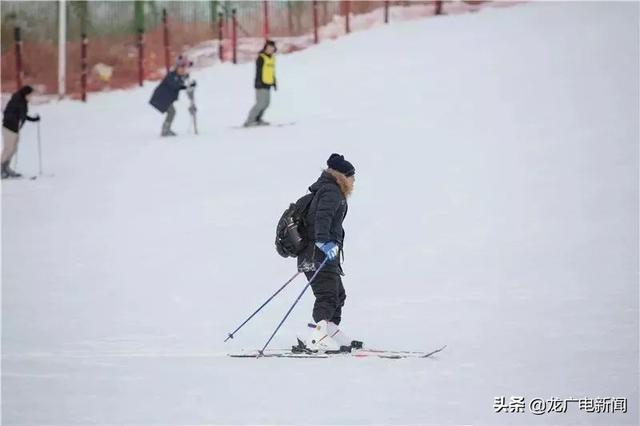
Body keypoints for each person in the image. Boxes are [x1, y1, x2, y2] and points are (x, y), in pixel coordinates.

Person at [294, 153, 362, 353]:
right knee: (328, 296)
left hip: (319, 255)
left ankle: (331, 333)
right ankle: (318, 339)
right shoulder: (331, 192)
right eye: (352, 177)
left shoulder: (329, 191)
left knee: (337, 295)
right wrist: (324, 243)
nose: (354, 181)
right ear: (342, 176)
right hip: (317, 255)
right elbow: (321, 220)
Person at [149, 56, 196, 137]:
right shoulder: (171, 76)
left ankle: (166, 129)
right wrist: (186, 86)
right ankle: (165, 130)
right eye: (181, 68)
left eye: (184, 68)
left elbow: (180, 84)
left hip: (166, 98)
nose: (183, 70)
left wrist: (190, 84)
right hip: (161, 98)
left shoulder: (178, 76)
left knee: (172, 112)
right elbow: (175, 85)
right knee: (172, 112)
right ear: (177, 68)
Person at [2, 85, 40, 179]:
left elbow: (23, 115)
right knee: (8, 149)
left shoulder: (23, 101)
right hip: (9, 127)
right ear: (26, 94)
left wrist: (33, 119)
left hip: (15, 128)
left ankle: (6, 167)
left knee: (13, 149)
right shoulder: (17, 101)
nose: (31, 97)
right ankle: (1, 169)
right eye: (30, 95)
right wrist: (14, 121)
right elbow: (8, 113)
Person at [243, 40, 277, 127]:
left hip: (268, 83)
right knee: (260, 103)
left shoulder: (272, 58)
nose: (270, 49)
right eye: (269, 48)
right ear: (265, 48)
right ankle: (249, 120)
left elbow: (271, 71)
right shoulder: (261, 58)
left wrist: (274, 82)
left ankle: (258, 119)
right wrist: (259, 82)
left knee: (266, 103)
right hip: (261, 84)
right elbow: (258, 71)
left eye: (272, 48)